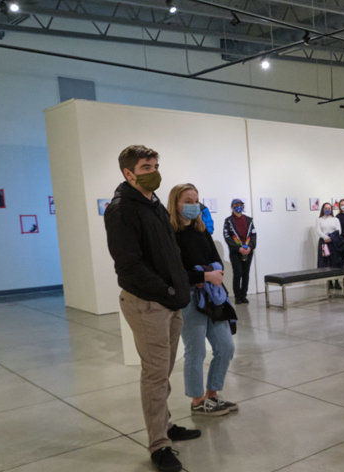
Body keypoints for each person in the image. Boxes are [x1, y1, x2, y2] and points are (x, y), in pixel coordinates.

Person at [104, 145, 201, 472]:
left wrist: (179, 289)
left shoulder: (153, 202)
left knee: (163, 371)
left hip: (168, 301)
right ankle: (159, 444)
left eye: (156, 164)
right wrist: (168, 290)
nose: (154, 171)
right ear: (128, 173)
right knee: (155, 375)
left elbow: (168, 251)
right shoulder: (121, 210)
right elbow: (128, 266)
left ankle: (165, 425)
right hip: (148, 304)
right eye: (146, 166)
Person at [168, 184, 238, 418]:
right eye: (188, 201)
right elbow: (174, 272)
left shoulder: (201, 229)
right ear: (175, 203)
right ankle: (197, 401)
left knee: (225, 347)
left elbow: (216, 260)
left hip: (212, 295)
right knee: (196, 351)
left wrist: (208, 274)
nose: (193, 205)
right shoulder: (170, 235)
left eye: (196, 201)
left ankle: (212, 395)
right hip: (189, 299)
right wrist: (203, 275)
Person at [222, 199, 255, 304]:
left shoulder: (249, 220)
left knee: (246, 274)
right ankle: (237, 297)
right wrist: (238, 248)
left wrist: (250, 247)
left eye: (241, 205)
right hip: (236, 252)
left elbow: (253, 235)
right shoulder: (228, 221)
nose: (238, 206)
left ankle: (244, 295)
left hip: (248, 251)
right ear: (232, 206)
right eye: (236, 205)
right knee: (237, 274)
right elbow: (227, 236)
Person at [316, 202, 344, 289]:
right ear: (322, 209)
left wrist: (331, 237)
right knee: (326, 261)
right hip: (324, 243)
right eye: (326, 208)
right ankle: (329, 282)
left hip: (334, 242)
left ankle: (336, 281)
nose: (327, 210)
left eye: (329, 208)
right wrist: (326, 237)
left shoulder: (335, 219)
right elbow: (318, 231)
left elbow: (338, 231)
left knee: (335, 262)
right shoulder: (319, 220)